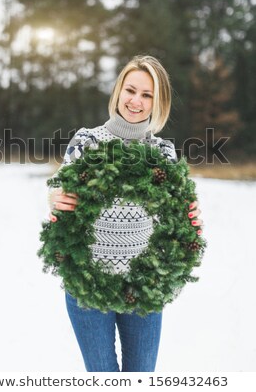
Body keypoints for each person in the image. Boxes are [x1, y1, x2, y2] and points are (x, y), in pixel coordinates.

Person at [47, 55, 203, 372]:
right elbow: (62, 192)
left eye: (147, 95)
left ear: (158, 102)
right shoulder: (87, 141)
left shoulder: (163, 153)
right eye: (130, 90)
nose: (136, 101)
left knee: (141, 377)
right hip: (88, 283)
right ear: (118, 91)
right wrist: (53, 196)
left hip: (144, 285)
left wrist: (190, 218)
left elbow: (174, 219)